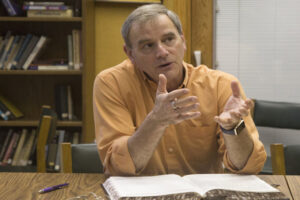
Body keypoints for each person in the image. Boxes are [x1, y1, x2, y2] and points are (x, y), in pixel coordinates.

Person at [93, 4, 266, 176]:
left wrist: (233, 128)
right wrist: (155, 121)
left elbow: (249, 167)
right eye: (148, 45)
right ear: (130, 54)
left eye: (168, 39)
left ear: (183, 42)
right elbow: (118, 168)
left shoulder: (222, 84)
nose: (162, 52)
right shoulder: (111, 83)